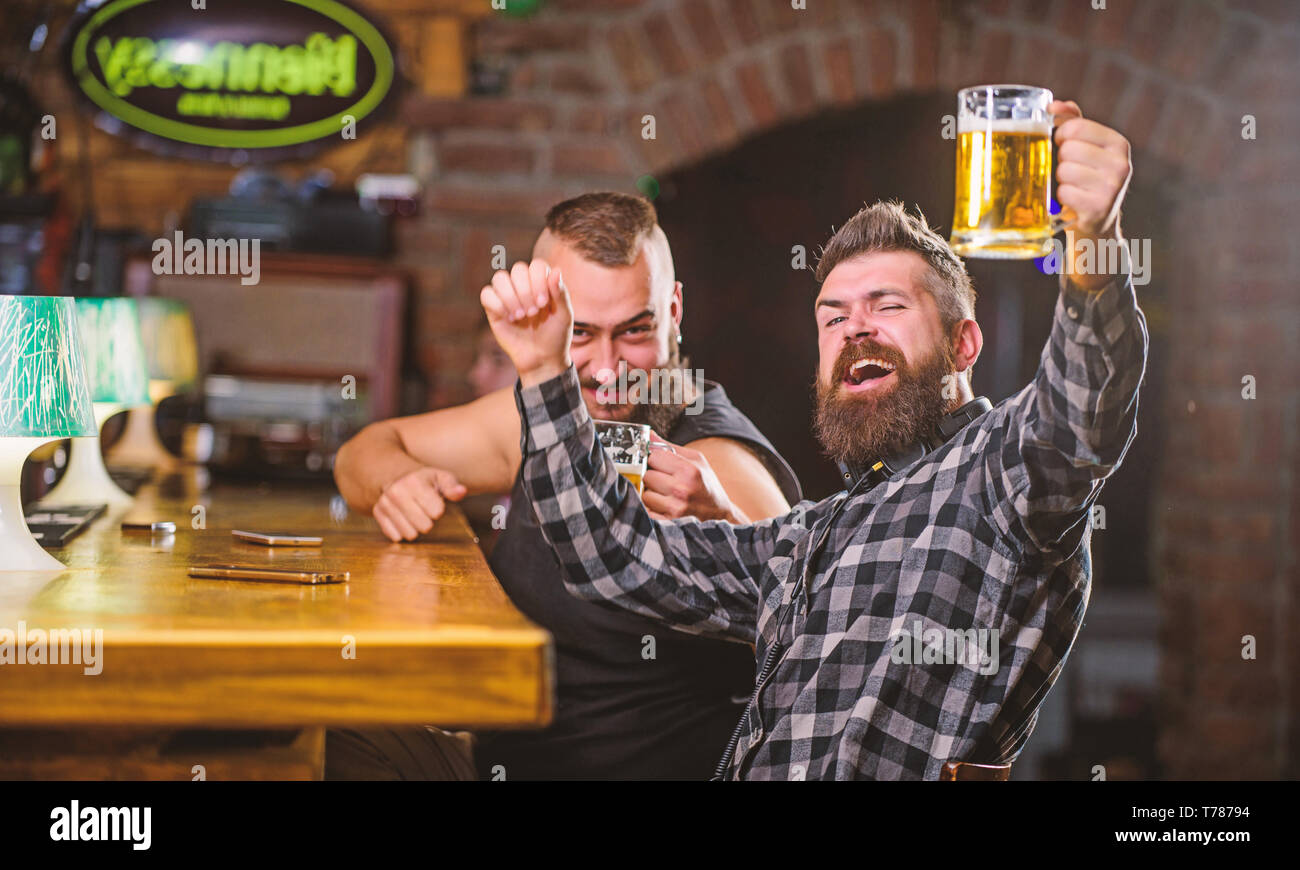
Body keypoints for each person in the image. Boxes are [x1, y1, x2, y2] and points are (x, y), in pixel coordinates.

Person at [483, 102, 1147, 779]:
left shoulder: (1002, 476)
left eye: (888, 306)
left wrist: (1094, 239)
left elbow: (1082, 402)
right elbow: (611, 556)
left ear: (963, 343)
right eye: (833, 318)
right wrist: (543, 370)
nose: (855, 329)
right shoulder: (813, 537)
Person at [328, 192, 802, 780]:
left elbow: (814, 633)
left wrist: (726, 523)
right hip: (493, 758)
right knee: (321, 726)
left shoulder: (714, 461)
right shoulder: (540, 421)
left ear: (674, 312)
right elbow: (360, 453)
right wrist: (398, 484)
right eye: (579, 332)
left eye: (635, 330)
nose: (606, 369)